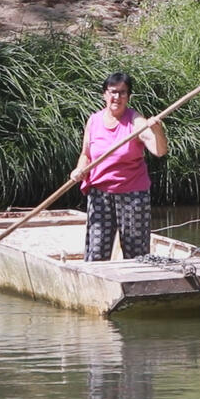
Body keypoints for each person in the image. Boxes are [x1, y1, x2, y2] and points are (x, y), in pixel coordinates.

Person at [70, 72, 168, 261]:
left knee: (136, 252)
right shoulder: (94, 121)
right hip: (99, 194)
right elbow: (86, 154)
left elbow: (159, 151)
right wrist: (79, 169)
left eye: (123, 93)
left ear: (128, 97)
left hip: (132, 195)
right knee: (96, 251)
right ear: (104, 95)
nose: (117, 97)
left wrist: (157, 130)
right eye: (113, 92)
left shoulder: (136, 121)